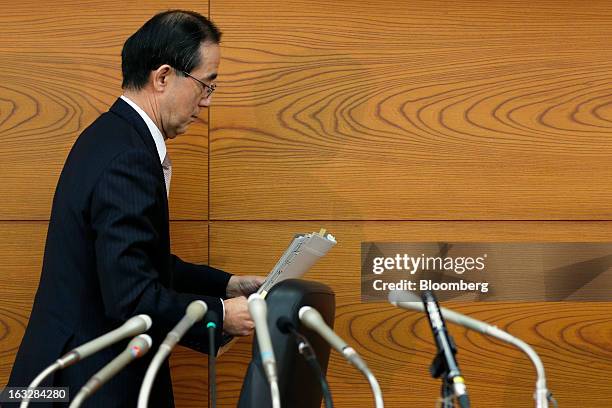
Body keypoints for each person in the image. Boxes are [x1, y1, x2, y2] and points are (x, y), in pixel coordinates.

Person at [7, 10, 262, 407]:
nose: (206, 102)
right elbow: (130, 295)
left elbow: (133, 261)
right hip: (82, 382)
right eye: (205, 86)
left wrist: (225, 285)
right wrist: (220, 315)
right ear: (162, 77)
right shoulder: (129, 156)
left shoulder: (111, 136)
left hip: (65, 375)